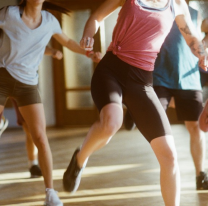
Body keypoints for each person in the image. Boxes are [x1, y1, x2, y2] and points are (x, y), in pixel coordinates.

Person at [62, 0, 208, 205]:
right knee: (111, 122)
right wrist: (88, 34)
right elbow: (96, 17)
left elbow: (192, 37)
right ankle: (79, 159)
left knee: (169, 156)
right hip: (111, 71)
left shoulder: (176, 5)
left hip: (142, 83)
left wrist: (203, 55)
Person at [0, 0, 100, 205]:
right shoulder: (9, 14)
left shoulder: (50, 21)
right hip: (3, 77)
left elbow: (70, 43)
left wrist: (89, 53)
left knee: (40, 137)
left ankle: (50, 194)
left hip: (28, 84)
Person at [124, 6, 208, 190]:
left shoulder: (195, 13)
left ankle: (200, 174)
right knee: (154, 117)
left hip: (189, 77)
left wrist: (205, 49)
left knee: (195, 127)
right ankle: (132, 108)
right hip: (160, 74)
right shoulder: (160, 7)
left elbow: (203, 33)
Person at [0, 46, 63, 178]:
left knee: (29, 127)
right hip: (3, 77)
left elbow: (36, 44)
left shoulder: (23, 29)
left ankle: (32, 164)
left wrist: (52, 51)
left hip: (22, 81)